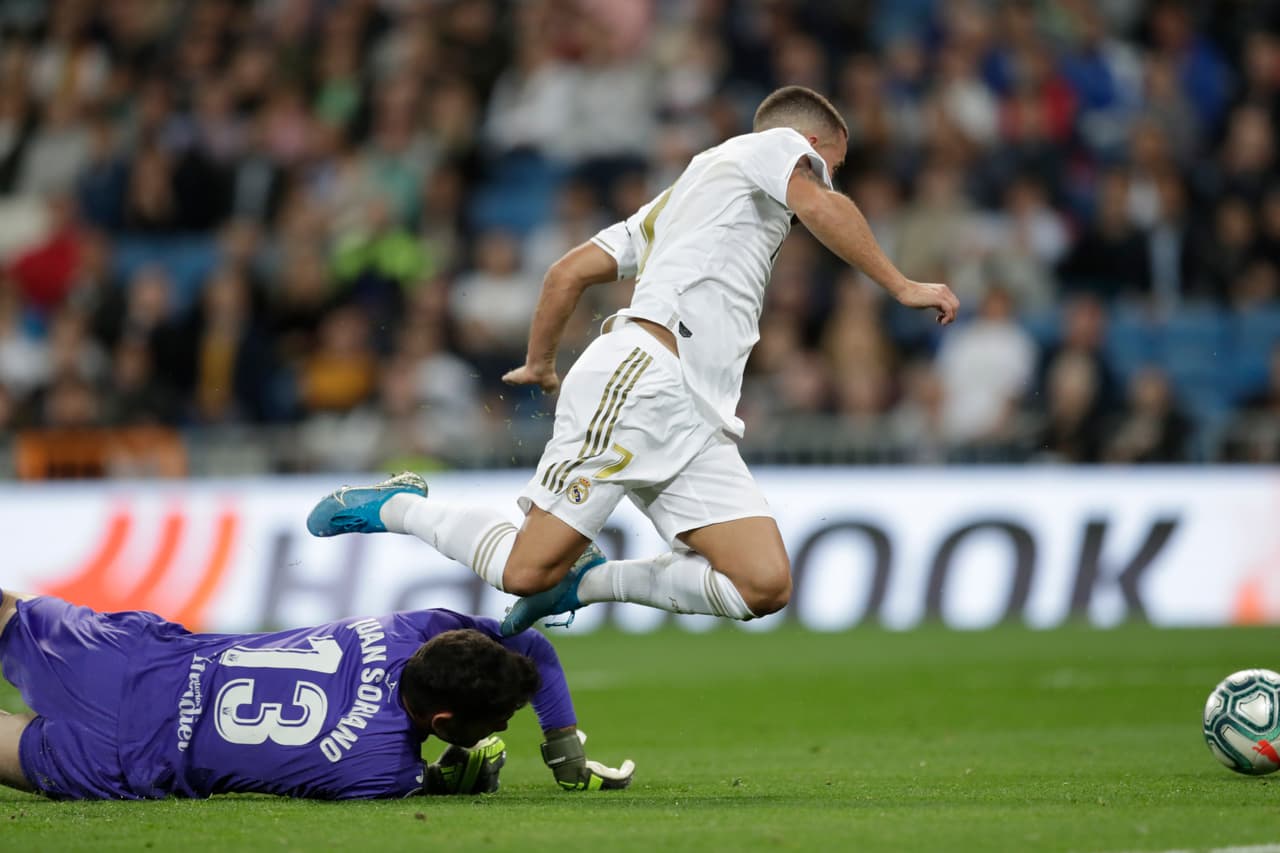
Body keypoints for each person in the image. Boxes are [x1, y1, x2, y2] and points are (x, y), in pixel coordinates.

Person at [307, 85, 958, 635]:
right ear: (810, 146)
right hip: (641, 379)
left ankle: (590, 583)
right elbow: (820, 205)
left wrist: (539, 363)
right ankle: (399, 504)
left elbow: (567, 274)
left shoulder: (674, 210)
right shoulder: (766, 147)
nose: (826, 181)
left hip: (695, 415)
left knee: (763, 584)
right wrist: (902, 285)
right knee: (526, 569)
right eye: (830, 165)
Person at [0, 587, 633, 800]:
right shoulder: (382, 770)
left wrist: (556, 734)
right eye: (496, 719)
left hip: (129, 661)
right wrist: (467, 774)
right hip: (127, 756)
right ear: (443, 722)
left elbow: (530, 646)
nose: (500, 726)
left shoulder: (408, 631)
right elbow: (434, 779)